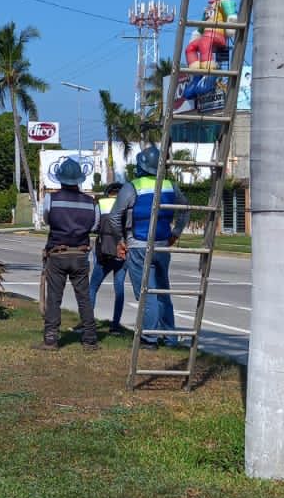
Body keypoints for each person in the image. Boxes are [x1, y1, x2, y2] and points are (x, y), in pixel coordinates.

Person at [108, 146, 187, 346]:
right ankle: (170, 337)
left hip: (138, 246)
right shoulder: (170, 185)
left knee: (146, 292)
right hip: (162, 245)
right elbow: (185, 210)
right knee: (162, 291)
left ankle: (149, 338)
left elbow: (115, 216)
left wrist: (120, 240)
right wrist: (175, 234)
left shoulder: (132, 186)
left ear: (142, 166)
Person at [38, 157, 100, 351]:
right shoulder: (91, 203)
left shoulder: (51, 199)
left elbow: (47, 219)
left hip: (57, 253)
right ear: (79, 179)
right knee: (84, 298)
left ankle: (51, 339)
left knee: (54, 297)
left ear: (61, 179)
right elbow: (95, 225)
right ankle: (89, 339)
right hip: (80, 254)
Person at [87, 180, 127, 335]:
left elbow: (94, 226)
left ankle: (88, 323)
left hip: (104, 253)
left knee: (93, 287)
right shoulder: (128, 205)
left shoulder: (101, 204)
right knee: (120, 290)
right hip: (123, 254)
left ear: (108, 193)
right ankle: (115, 326)